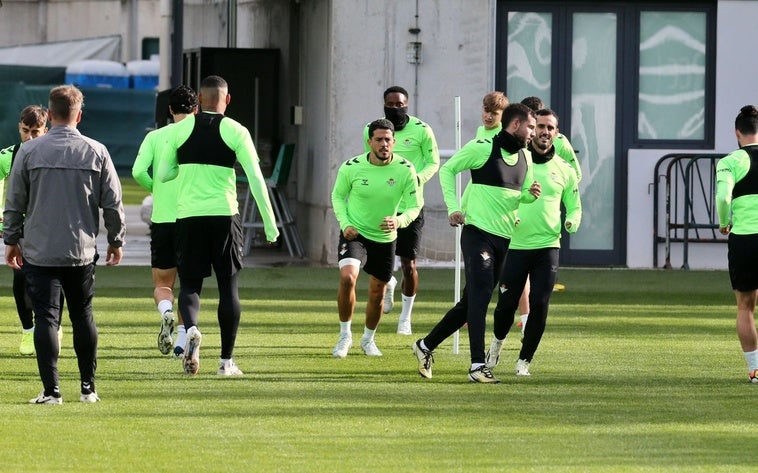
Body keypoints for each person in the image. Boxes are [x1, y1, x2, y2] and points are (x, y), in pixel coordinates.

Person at [4, 85, 125, 404]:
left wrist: (11, 239)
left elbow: (14, 202)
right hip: (81, 250)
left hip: (40, 250)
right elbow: (112, 203)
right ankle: (88, 388)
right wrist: (116, 239)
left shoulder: (29, 152)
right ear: (79, 115)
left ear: (50, 114)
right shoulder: (97, 150)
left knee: (46, 318)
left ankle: (51, 390)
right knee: (83, 315)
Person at [158, 75, 279, 377]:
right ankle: (226, 362)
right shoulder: (236, 130)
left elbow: (162, 174)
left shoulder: (179, 129)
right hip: (224, 216)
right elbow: (255, 179)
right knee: (228, 286)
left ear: (199, 99)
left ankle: (193, 330)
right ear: (228, 99)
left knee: (189, 285)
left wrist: (183, 169)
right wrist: (270, 224)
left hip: (188, 216)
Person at [411, 103, 540, 383]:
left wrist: (531, 195)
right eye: (530, 126)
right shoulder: (482, 147)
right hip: (476, 234)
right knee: (481, 296)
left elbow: (521, 197)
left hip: (504, 240)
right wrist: (453, 207)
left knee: (469, 303)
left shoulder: (526, 159)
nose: (533, 132)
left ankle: (424, 346)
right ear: (516, 125)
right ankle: (477, 365)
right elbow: (448, 170)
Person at [485, 108, 582, 376]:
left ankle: (524, 360)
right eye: (540, 126)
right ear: (532, 129)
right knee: (505, 304)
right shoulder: (518, 160)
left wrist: (572, 221)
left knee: (540, 303)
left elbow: (574, 206)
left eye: (550, 128)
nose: (545, 132)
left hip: (548, 246)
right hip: (514, 245)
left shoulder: (564, 169)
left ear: (556, 133)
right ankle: (497, 344)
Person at [332, 119, 421, 358]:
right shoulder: (351, 167)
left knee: (376, 293)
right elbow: (338, 197)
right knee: (348, 278)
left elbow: (415, 205)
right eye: (379, 139)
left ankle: (368, 340)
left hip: (384, 237)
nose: (384, 144)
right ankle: (344, 336)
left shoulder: (406, 169)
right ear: (369, 141)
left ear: (394, 142)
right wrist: (345, 224)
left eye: (388, 140)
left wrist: (399, 221)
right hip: (355, 234)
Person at [364, 86, 439, 335]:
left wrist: (418, 178)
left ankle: (405, 318)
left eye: (400, 104)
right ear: (384, 104)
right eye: (391, 104)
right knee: (379, 262)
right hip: (383, 207)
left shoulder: (423, 130)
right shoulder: (373, 130)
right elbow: (370, 164)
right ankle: (389, 281)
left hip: (410, 207)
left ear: (407, 104)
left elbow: (434, 162)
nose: (396, 108)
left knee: (409, 263)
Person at [132, 85, 198, 358]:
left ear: (170, 110)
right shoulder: (200, 135)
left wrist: (155, 189)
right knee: (190, 285)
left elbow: (138, 171)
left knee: (163, 284)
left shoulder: (156, 136)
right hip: (193, 217)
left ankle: (166, 312)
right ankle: (182, 342)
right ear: (196, 109)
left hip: (163, 219)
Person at [516, 96, 583, 335]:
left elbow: (575, 175)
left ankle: (528, 319)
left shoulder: (561, 143)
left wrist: (557, 186)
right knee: (514, 282)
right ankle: (524, 317)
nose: (537, 130)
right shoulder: (518, 142)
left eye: (544, 125)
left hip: (547, 228)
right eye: (533, 124)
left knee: (539, 286)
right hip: (516, 225)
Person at [0, 105, 50, 356]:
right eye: (25, 131)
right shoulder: (8, 156)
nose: (30, 137)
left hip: (48, 226)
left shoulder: (54, 153)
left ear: (46, 130)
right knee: (21, 279)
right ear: (19, 128)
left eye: (36, 132)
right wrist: (1, 220)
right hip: (20, 227)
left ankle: (54, 325)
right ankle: (28, 331)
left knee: (55, 278)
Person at [716, 104, 758, 383]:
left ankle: (756, 370)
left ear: (736, 132)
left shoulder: (731, 161)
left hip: (745, 240)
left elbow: (723, 198)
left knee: (745, 306)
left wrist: (723, 222)